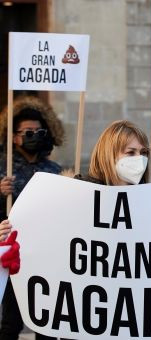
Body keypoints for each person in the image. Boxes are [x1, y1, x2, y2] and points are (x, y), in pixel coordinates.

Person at [0, 96, 65, 340]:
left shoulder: (54, 170)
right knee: (11, 322)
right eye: (28, 132)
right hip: (13, 254)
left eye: (38, 131)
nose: (34, 136)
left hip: (45, 255)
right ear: (14, 136)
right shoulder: (2, 168)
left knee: (45, 321)